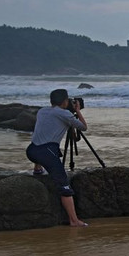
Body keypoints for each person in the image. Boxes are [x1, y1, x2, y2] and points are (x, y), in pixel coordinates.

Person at [26, 89, 89, 227]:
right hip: (46, 153)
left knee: (44, 143)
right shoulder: (65, 114)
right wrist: (77, 111)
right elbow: (84, 127)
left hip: (31, 151)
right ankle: (74, 221)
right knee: (64, 185)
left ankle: (37, 168)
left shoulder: (42, 111)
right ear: (65, 101)